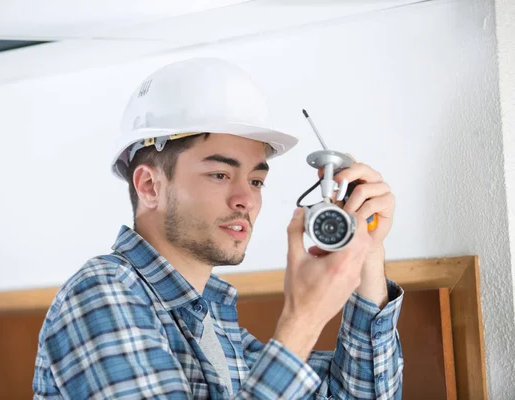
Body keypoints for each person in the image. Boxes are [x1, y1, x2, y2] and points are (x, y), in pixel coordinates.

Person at [33, 57, 404, 399]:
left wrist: (367, 249)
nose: (247, 200)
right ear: (149, 186)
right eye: (220, 174)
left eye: (256, 181)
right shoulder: (101, 295)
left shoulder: (213, 325)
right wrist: (303, 319)